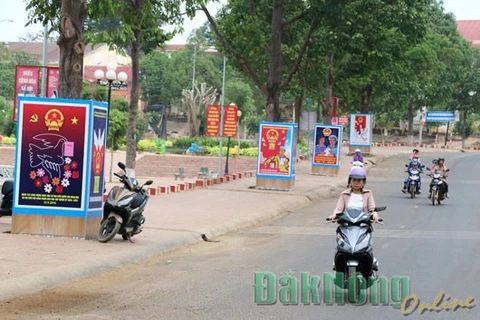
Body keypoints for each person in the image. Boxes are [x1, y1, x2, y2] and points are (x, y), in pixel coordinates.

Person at [328, 167, 380, 271]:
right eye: (354, 180)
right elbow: (338, 209)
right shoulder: (344, 195)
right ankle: (337, 261)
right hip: (346, 225)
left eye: (359, 180)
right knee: (341, 244)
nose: (356, 183)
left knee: (367, 244)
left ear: (363, 182)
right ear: (350, 181)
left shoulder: (368, 194)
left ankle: (371, 259)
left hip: (363, 225)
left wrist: (374, 215)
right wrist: (333, 215)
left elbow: (372, 208)